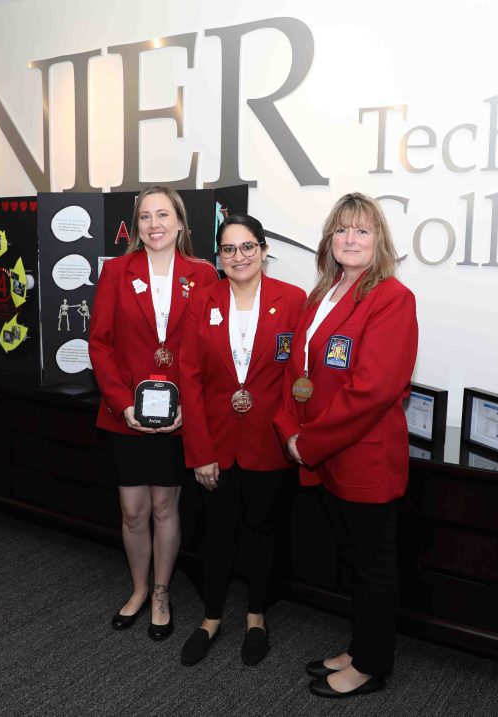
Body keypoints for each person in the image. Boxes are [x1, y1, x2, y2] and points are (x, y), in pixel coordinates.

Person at [274, 192, 418, 698]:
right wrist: (289, 426)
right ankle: (360, 647)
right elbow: (299, 371)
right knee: (356, 561)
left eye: (362, 230)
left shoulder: (392, 298)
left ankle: (372, 666)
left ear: (379, 240)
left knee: (374, 568)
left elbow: (373, 390)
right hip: (325, 452)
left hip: (362, 457)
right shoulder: (324, 293)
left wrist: (305, 441)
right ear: (329, 240)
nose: (350, 239)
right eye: (342, 230)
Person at [88, 185, 219, 641]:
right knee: (131, 510)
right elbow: (99, 344)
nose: (155, 224)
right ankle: (139, 589)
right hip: (126, 411)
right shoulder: (116, 272)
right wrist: (123, 405)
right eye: (146, 216)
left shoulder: (202, 275)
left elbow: (209, 348)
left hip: (179, 411)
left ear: (181, 223)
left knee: (165, 506)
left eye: (164, 215)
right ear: (136, 225)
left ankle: (162, 592)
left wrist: (189, 402)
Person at [177, 214, 306, 667]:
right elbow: (188, 379)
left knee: (262, 532)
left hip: (269, 442)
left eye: (248, 246)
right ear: (219, 258)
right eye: (229, 249)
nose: (240, 256)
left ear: (265, 249)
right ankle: (210, 618)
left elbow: (298, 375)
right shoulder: (202, 301)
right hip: (215, 443)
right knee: (217, 533)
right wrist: (200, 452)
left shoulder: (293, 301)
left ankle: (256, 616)